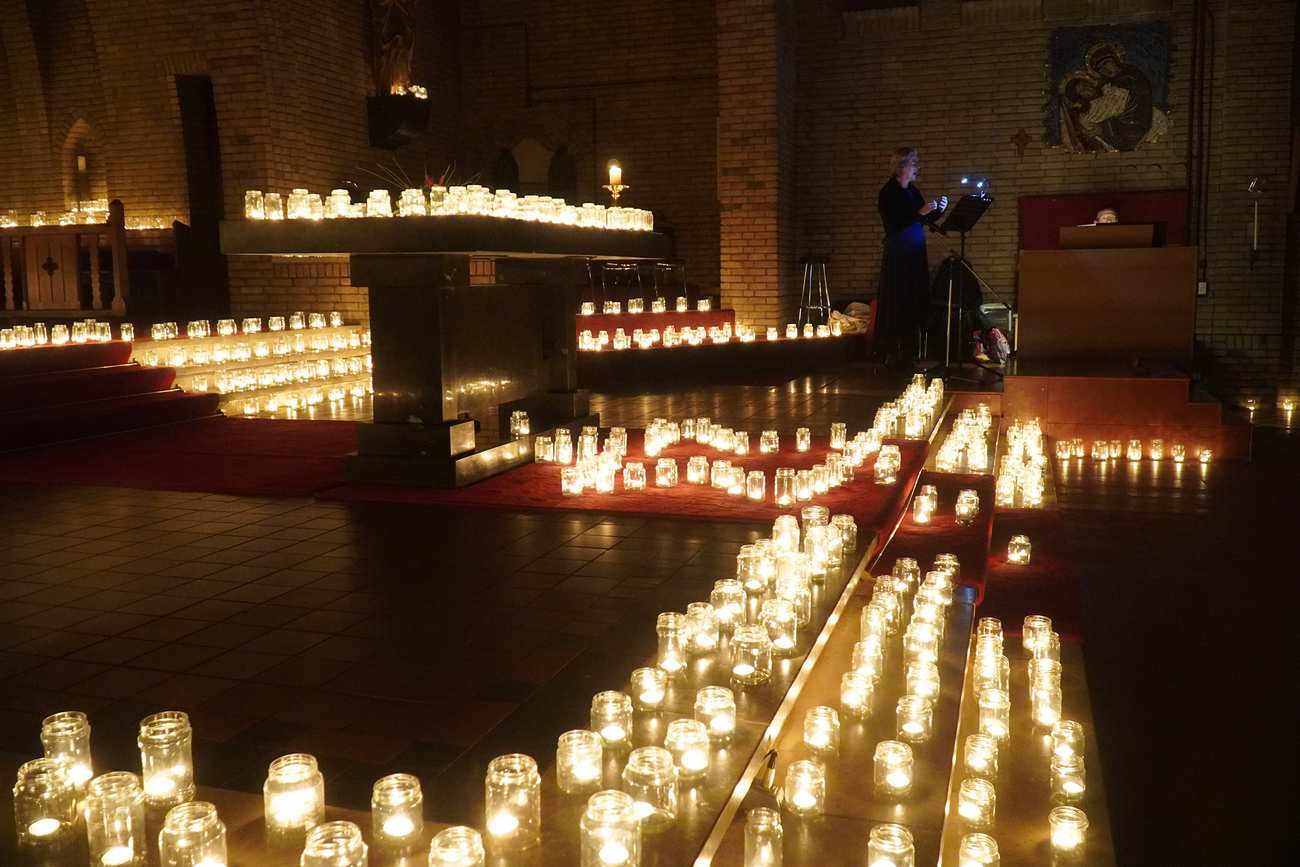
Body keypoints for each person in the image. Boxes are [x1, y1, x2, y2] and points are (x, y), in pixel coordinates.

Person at [877, 147, 947, 366]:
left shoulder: (912, 191)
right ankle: (896, 352)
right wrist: (921, 213)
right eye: (914, 164)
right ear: (902, 166)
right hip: (900, 254)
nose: (917, 168)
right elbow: (895, 223)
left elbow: (921, 218)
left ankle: (914, 349)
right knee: (900, 298)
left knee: (916, 296)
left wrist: (938, 211)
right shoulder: (888, 192)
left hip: (915, 253)